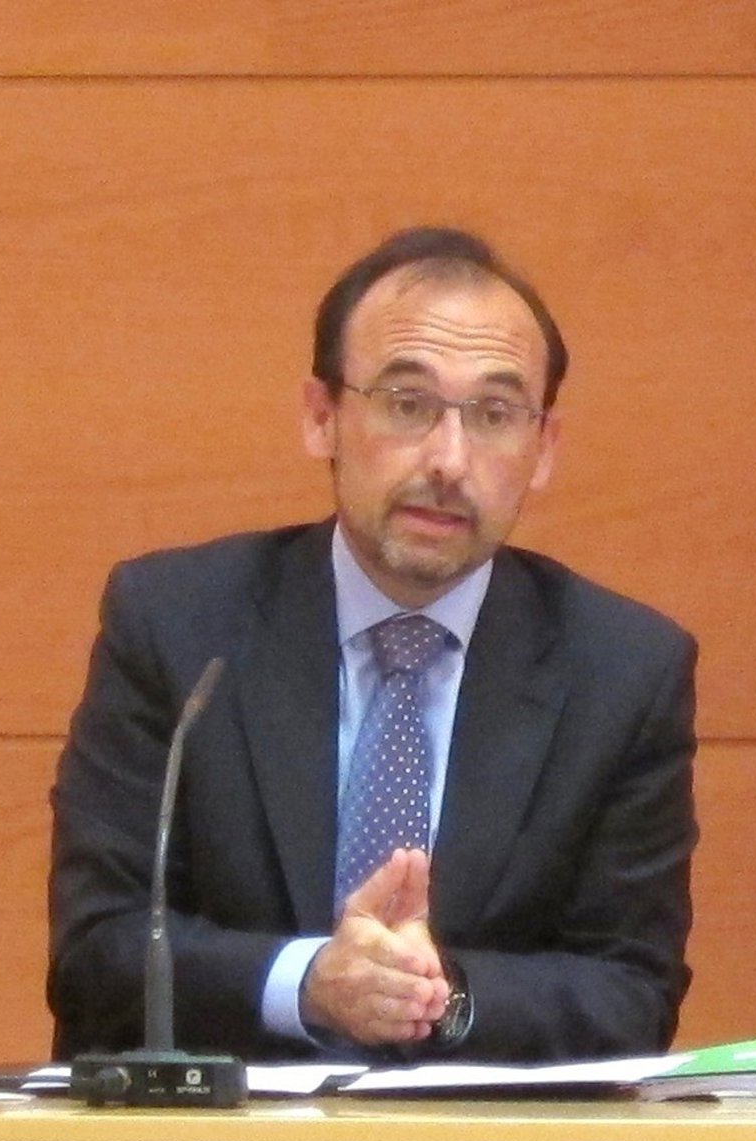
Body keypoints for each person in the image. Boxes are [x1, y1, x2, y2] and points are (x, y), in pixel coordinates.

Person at [47, 226, 697, 1064]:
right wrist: (310, 982)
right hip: (220, 1140)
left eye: (495, 415)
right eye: (407, 404)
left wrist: (436, 996)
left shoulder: (622, 669)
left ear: (544, 450)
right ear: (322, 418)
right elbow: (96, 953)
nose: (449, 461)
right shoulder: (179, 627)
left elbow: (633, 995)